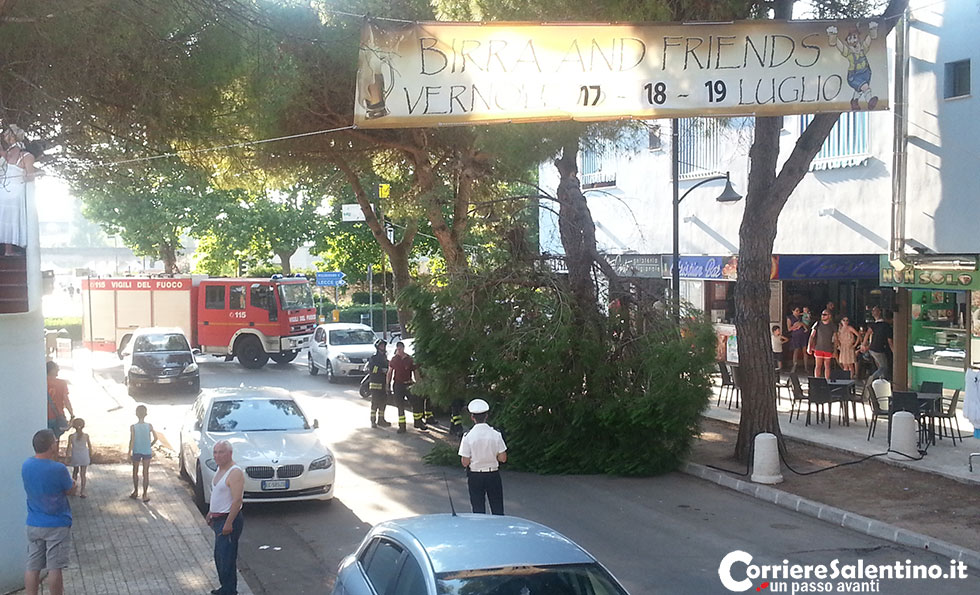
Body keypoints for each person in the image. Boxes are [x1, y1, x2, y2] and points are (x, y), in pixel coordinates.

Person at [22, 429, 75, 595]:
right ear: (51, 446)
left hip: (34, 522)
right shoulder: (58, 469)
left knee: (33, 566)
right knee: (54, 567)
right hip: (56, 524)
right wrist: (74, 484)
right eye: (55, 441)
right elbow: (70, 490)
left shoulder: (26, 465)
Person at [458, 399, 507, 515]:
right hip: (493, 474)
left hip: (475, 475)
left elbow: (465, 462)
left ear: (472, 417)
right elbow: (503, 458)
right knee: (497, 509)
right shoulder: (496, 434)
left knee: (478, 510)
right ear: (486, 416)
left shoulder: (468, 436)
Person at [207, 440, 244, 595]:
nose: (217, 456)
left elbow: (237, 500)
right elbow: (218, 492)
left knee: (226, 558)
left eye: (221, 452)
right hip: (218, 519)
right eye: (215, 452)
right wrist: (211, 512)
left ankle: (229, 591)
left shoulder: (234, 473)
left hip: (228, 519)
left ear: (230, 453)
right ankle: (226, 588)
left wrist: (228, 523)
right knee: (220, 557)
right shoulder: (220, 468)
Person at [0, 124, 36, 257]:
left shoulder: (5, 154)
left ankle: (7, 249)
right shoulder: (27, 156)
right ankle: (11, 250)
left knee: (5, 219)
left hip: (3, 190)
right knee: (14, 219)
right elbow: (30, 177)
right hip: (16, 191)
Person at [387, 341, 425, 433]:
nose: (399, 351)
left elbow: (415, 372)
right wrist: (387, 385)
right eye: (398, 349)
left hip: (408, 384)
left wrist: (418, 384)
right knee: (400, 406)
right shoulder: (394, 359)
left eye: (400, 349)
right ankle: (402, 426)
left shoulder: (409, 359)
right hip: (398, 385)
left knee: (415, 403)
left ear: (403, 348)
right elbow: (389, 372)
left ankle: (418, 422)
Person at [128, 405, 157, 502]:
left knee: (135, 472)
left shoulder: (133, 427)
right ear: (146, 414)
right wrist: (149, 445)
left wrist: (129, 452)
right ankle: (145, 494)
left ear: (136, 414)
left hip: (136, 450)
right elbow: (156, 438)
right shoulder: (149, 426)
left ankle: (136, 491)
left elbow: (132, 440)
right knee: (145, 473)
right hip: (147, 451)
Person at [862, 306, 894, 381]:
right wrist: (894, 351)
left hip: (872, 348)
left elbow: (867, 333)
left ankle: (881, 381)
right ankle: (873, 378)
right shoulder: (886, 326)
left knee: (880, 366)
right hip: (879, 349)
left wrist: (863, 344)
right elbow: (890, 341)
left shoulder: (874, 325)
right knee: (884, 367)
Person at [46, 361, 73, 446]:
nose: (58, 370)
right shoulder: (62, 383)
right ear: (52, 370)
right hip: (58, 416)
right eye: (57, 368)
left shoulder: (41, 382)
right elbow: (66, 400)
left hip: (44, 416)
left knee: (46, 441)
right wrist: (71, 414)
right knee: (56, 440)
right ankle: (55, 453)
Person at [366, 339, 390, 428]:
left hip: (383, 384)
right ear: (377, 347)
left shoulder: (385, 357)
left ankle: (381, 420)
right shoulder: (374, 358)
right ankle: (373, 421)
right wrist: (381, 370)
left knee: (383, 403)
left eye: (383, 345)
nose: (383, 347)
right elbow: (372, 369)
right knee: (375, 403)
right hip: (375, 384)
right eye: (381, 345)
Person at [66, 418, 92, 498]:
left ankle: (73, 490)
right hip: (84, 455)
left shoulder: (71, 436)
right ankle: (82, 492)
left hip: (76, 455)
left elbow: (69, 448)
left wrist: (67, 457)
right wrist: (90, 455)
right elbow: (90, 447)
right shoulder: (86, 436)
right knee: (83, 474)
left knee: (75, 472)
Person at [808, 309, 837, 380]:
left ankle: (827, 381)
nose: (823, 316)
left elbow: (835, 339)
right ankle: (817, 381)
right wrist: (809, 346)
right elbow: (812, 336)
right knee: (818, 366)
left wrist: (835, 350)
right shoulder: (817, 324)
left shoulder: (832, 326)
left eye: (825, 315)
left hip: (828, 348)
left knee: (827, 366)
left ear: (829, 316)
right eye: (822, 314)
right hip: (818, 348)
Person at [786, 307, 808, 373]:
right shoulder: (790, 318)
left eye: (799, 311)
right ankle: (794, 367)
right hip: (795, 336)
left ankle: (806, 368)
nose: (798, 312)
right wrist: (796, 325)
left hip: (803, 335)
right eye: (796, 311)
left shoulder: (801, 317)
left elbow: (806, 323)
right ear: (793, 311)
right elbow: (789, 329)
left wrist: (802, 324)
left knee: (805, 351)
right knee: (796, 350)